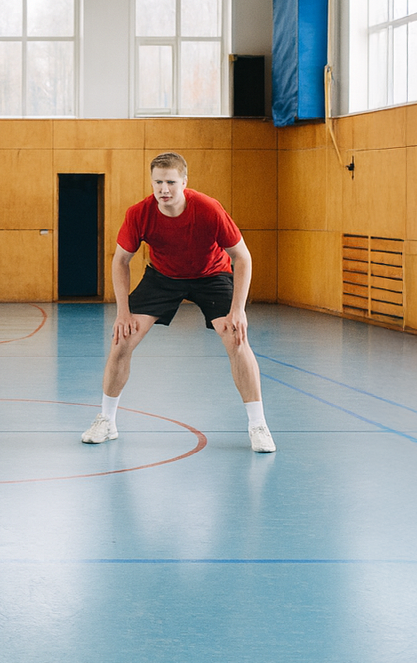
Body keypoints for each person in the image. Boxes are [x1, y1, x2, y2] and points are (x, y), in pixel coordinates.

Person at [82, 152, 276, 453]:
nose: (164, 189)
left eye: (171, 182)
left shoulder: (209, 209)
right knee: (121, 341)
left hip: (211, 274)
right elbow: (121, 260)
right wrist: (122, 313)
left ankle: (258, 425)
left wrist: (238, 310)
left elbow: (242, 257)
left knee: (237, 340)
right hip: (163, 276)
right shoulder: (139, 213)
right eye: (157, 182)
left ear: (184, 182)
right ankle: (106, 420)